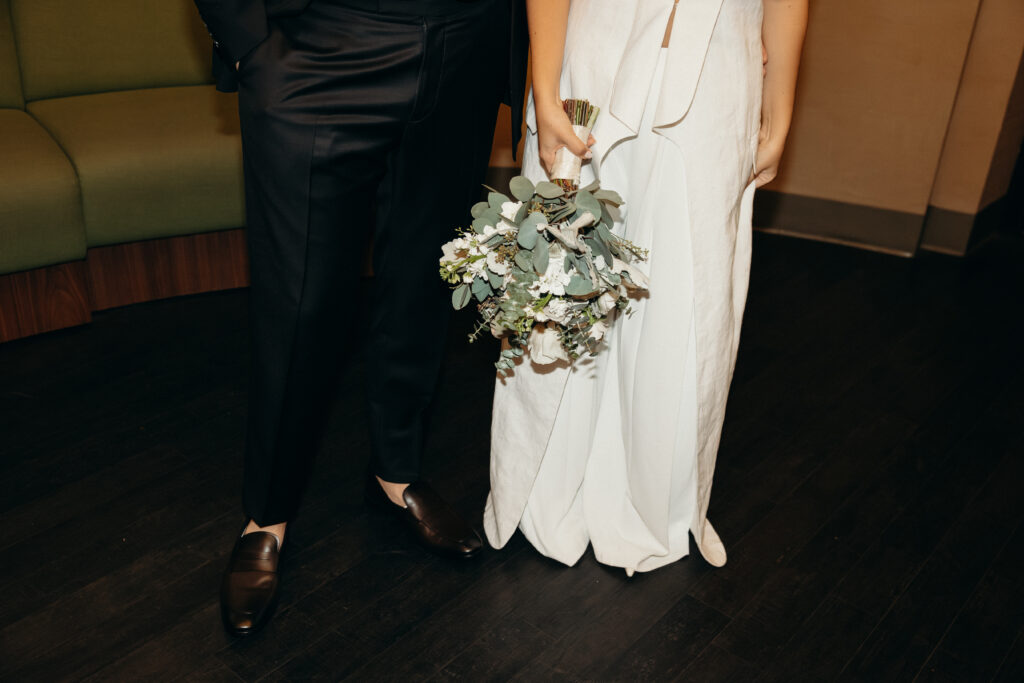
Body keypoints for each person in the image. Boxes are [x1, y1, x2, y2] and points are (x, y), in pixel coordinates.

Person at [192, 0, 528, 635]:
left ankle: (396, 469)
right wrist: (251, 46)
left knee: (427, 279)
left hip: (468, 43)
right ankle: (267, 515)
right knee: (300, 299)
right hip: (319, 47)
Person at [485, 0, 807, 574]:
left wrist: (779, 111)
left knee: (687, 297)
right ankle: (542, 489)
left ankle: (651, 500)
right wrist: (545, 84)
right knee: (563, 276)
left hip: (718, 68)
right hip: (590, 50)